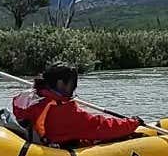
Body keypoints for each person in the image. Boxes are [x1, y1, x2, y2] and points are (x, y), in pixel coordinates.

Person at [12, 63, 143, 147]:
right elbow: (99, 126)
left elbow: (18, 106)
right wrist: (132, 123)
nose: (74, 87)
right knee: (128, 137)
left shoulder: (30, 98)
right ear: (60, 83)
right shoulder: (63, 111)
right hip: (60, 147)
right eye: (72, 83)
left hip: (44, 142)